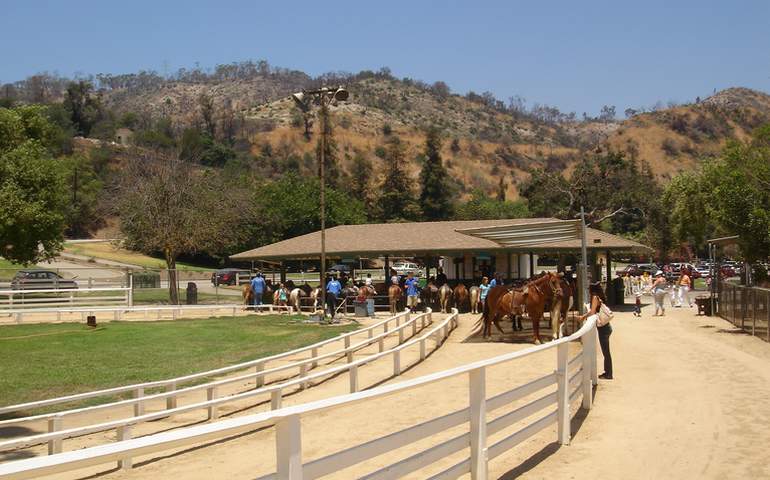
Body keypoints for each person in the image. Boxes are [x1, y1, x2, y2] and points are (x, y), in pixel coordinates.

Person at [580, 282, 613, 380]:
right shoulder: (599, 296)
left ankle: (608, 373)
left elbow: (593, 311)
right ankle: (608, 372)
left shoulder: (595, 297)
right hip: (606, 327)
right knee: (606, 352)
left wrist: (583, 317)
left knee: (606, 352)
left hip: (603, 328)